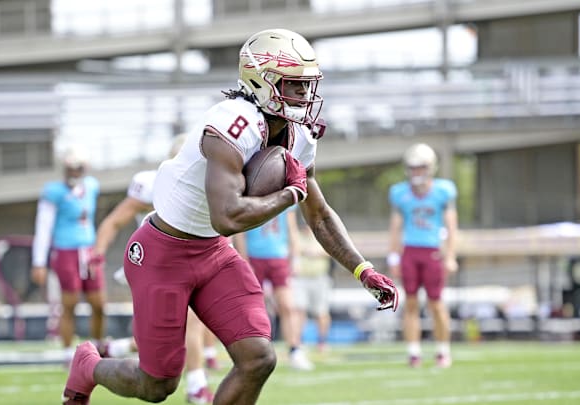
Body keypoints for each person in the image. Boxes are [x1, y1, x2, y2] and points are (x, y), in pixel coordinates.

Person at [62, 28, 398, 405]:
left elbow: (318, 215)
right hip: (163, 252)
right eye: (294, 86)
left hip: (213, 253)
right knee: (157, 386)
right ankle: (88, 365)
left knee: (258, 358)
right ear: (262, 81)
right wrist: (289, 194)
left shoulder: (300, 136)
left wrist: (362, 269)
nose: (305, 96)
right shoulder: (231, 122)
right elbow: (227, 216)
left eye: (307, 86)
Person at [88, 134, 216, 404]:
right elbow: (114, 221)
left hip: (191, 262)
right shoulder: (154, 186)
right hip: (155, 266)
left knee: (186, 325)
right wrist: (98, 253)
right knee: (164, 337)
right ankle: (195, 385)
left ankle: (193, 384)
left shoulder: (212, 182)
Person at [31, 147, 106, 364]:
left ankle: (98, 346)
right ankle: (67, 352)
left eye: (78, 167)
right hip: (66, 251)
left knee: (99, 303)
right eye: (71, 167)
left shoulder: (91, 186)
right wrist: (39, 261)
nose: (74, 172)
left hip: (89, 250)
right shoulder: (54, 191)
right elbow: (43, 227)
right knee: (70, 303)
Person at [387, 143, 458, 368]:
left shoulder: (443, 191)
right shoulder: (400, 193)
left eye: (420, 167)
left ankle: (443, 350)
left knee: (436, 303)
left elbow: (452, 227)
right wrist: (393, 256)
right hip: (410, 251)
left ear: (430, 167)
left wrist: (450, 255)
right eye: (413, 167)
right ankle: (414, 352)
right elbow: (396, 227)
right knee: (410, 303)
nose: (416, 172)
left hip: (433, 251)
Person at [232, 209, 313, 371]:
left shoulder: (283, 193)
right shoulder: (251, 192)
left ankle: (295, 350)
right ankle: (255, 350)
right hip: (254, 256)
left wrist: (295, 257)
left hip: (278, 256)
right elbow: (240, 231)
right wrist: (244, 260)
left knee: (288, 305)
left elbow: (291, 228)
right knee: (253, 307)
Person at [291, 224, 333, 353]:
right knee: (299, 310)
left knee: (321, 312)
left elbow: (332, 250)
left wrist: (317, 253)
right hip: (300, 279)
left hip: (319, 278)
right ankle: (298, 342)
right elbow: (292, 249)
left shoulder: (322, 235)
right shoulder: (296, 235)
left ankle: (322, 342)